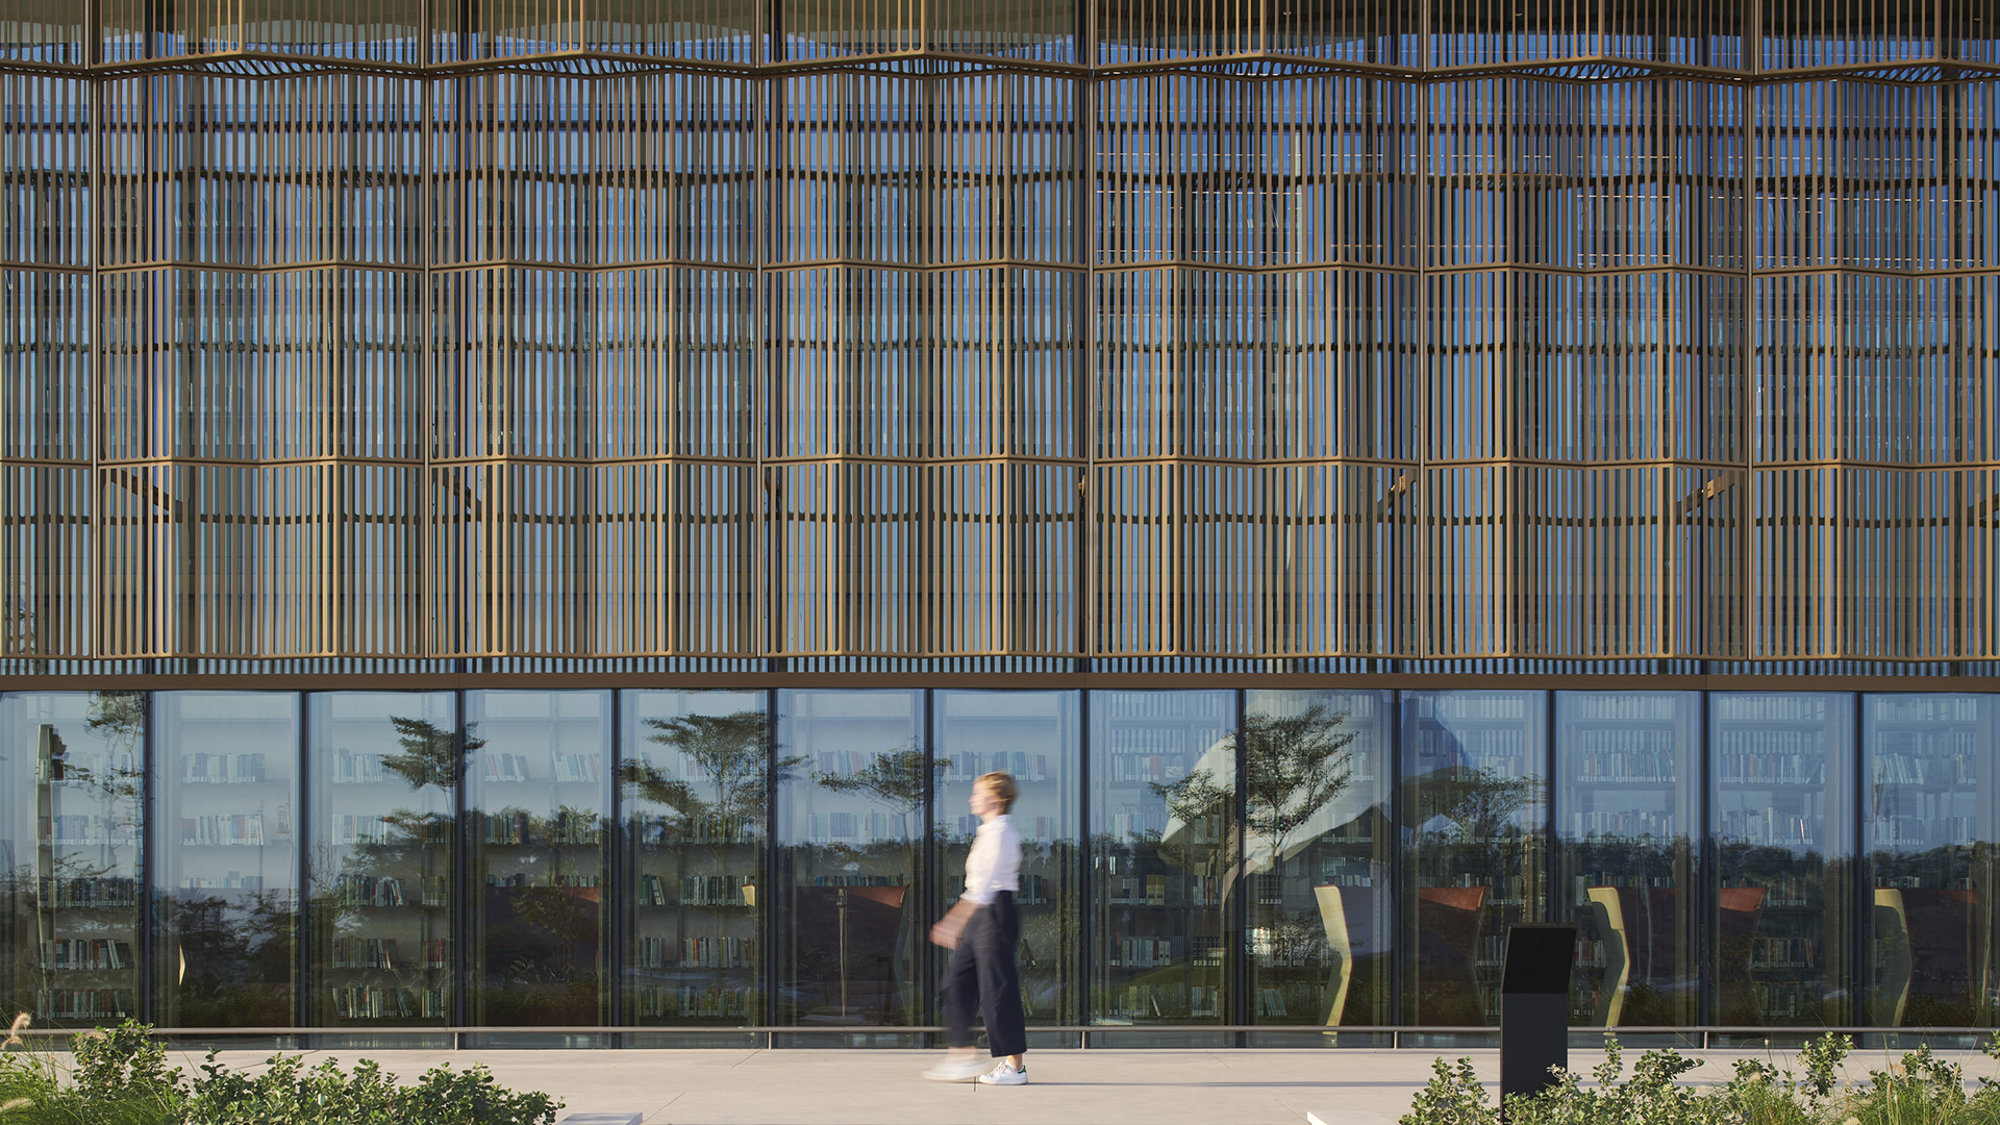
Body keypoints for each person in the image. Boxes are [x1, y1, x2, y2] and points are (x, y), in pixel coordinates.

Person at [921, 771, 1028, 1085]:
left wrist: (952, 922)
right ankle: (962, 1054)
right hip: (979, 915)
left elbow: (983, 889)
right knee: (955, 984)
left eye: (977, 793)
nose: (971, 799)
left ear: (996, 798)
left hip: (994, 913)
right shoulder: (987, 833)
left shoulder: (1001, 835)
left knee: (997, 990)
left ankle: (1015, 1068)